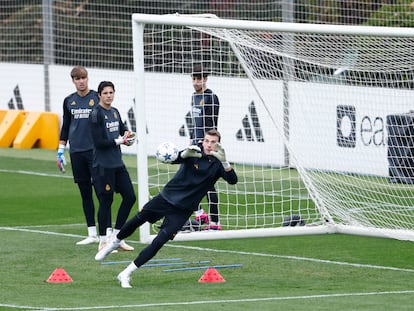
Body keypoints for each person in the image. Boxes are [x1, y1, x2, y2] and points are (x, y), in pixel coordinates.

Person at [95, 129, 238, 288]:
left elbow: (233, 180)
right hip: (167, 197)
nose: (209, 145)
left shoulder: (218, 163)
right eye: (206, 141)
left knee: (159, 241)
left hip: (183, 210)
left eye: (213, 142)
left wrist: (225, 163)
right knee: (138, 219)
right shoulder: (194, 151)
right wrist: (183, 155)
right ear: (202, 141)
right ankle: (115, 242)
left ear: (218, 144)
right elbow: (174, 158)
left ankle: (125, 273)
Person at [89, 81, 137, 252]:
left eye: (111, 92)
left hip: (118, 164)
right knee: (106, 201)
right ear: (99, 95)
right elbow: (99, 142)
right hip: (103, 166)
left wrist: (129, 136)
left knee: (130, 197)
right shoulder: (95, 114)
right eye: (105, 93)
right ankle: (103, 241)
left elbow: (123, 131)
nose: (109, 95)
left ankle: (117, 238)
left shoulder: (115, 112)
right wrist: (120, 140)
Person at [57, 66, 102, 245]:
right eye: (77, 79)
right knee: (85, 193)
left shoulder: (96, 98)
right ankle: (92, 233)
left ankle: (107, 234)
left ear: (87, 78)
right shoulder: (69, 101)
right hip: (76, 152)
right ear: (73, 81)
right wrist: (60, 151)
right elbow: (66, 126)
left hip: (95, 152)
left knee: (101, 192)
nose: (81, 81)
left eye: (83, 78)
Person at [190, 63, 222, 230]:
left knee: (208, 182)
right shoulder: (193, 97)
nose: (196, 82)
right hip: (195, 145)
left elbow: (212, 125)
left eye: (199, 79)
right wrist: (191, 139)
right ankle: (201, 213)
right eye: (194, 79)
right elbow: (195, 122)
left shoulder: (211, 97)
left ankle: (214, 221)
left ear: (205, 79)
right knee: (192, 179)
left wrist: (211, 144)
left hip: (207, 145)